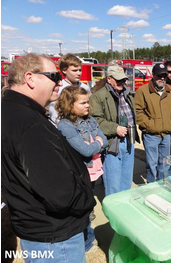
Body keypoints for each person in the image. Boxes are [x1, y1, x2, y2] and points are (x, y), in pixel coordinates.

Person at [2, 53, 95, 262]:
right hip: (55, 238)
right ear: (30, 78)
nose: (59, 81)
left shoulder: (11, 110)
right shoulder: (29, 123)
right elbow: (59, 193)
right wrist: (86, 200)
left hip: (39, 230)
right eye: (53, 75)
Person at [56, 85, 108, 252]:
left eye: (88, 102)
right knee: (82, 208)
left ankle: (88, 237)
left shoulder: (90, 120)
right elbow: (85, 151)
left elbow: (104, 140)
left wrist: (96, 143)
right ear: (70, 105)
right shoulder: (66, 125)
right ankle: (85, 242)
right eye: (83, 103)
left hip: (91, 172)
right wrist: (97, 142)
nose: (88, 105)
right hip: (80, 173)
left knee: (88, 205)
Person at [90, 65, 139, 196]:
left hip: (129, 141)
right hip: (112, 143)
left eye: (123, 80)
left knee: (126, 179)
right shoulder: (98, 96)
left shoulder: (126, 93)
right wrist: (115, 128)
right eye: (118, 80)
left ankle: (123, 205)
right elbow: (95, 121)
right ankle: (113, 209)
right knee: (113, 183)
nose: (122, 83)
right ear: (109, 79)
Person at [135, 63, 171, 182]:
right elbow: (137, 111)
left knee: (165, 164)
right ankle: (151, 186)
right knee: (151, 164)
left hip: (166, 135)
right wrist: (149, 126)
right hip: (151, 135)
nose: (162, 78)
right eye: (159, 75)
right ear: (153, 75)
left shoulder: (170, 90)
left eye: (164, 75)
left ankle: (162, 185)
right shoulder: (143, 91)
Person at [48, 53, 90, 124]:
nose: (79, 73)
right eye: (74, 70)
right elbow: (55, 113)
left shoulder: (84, 87)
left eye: (80, 70)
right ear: (64, 70)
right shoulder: (59, 88)